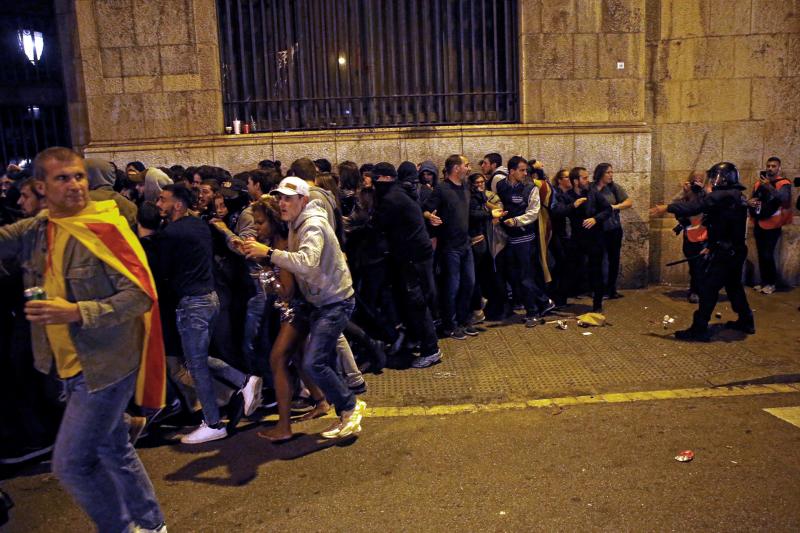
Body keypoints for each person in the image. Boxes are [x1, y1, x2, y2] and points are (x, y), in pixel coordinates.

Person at [0, 147, 166, 532]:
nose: (75, 185)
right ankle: (152, 524)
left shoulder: (103, 227)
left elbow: (140, 295)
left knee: (72, 463)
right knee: (114, 447)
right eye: (63, 178)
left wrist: (76, 312)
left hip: (106, 365)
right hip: (68, 366)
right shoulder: (39, 229)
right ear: (41, 187)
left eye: (78, 176)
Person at [245, 177, 366, 439]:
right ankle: (344, 407)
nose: (283, 203)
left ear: (304, 200)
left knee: (313, 362)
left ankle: (349, 405)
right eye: (280, 198)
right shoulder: (295, 223)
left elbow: (307, 263)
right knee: (312, 360)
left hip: (334, 301)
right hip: (321, 301)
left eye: (289, 198)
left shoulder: (312, 225)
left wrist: (268, 254)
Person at [156, 183, 262, 444]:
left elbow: (163, 271)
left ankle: (213, 423)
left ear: (177, 204)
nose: (158, 204)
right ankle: (244, 380)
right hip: (210, 299)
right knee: (197, 358)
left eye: (162, 199)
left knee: (196, 364)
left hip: (193, 304)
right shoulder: (200, 225)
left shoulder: (171, 233)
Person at [651, 162, 755, 341]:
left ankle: (698, 329)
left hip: (726, 253)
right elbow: (723, 225)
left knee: (708, 288)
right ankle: (746, 321)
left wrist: (667, 208)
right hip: (733, 250)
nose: (714, 181)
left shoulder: (723, 195)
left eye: (717, 177)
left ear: (725, 179)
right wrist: (712, 244)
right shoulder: (735, 195)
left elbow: (695, 207)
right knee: (734, 287)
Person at [372, 162, 443, 368]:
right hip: (418, 254)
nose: (374, 183)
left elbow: (377, 226)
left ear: (386, 178)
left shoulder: (391, 198)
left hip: (412, 256)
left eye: (376, 178)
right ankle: (418, 339)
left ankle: (431, 349)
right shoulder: (401, 192)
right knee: (416, 300)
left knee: (416, 302)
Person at [423, 154, 478, 339]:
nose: (469, 168)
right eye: (466, 165)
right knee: (452, 287)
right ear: (456, 168)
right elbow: (425, 209)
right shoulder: (442, 189)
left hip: (466, 244)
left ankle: (464, 320)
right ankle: (450, 325)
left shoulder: (466, 187)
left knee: (469, 283)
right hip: (450, 247)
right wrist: (430, 217)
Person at [496, 156, 555, 326]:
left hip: (525, 238)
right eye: (521, 170)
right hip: (508, 238)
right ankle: (544, 301)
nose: (525, 173)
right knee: (515, 276)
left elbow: (533, 212)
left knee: (525, 277)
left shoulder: (530, 188)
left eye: (525, 170)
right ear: (511, 171)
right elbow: (498, 202)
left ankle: (533, 312)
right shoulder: (501, 185)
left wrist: (516, 221)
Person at [567, 166, 613, 313]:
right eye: (584, 178)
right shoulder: (568, 196)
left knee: (596, 270)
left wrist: (595, 219)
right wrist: (572, 205)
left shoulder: (592, 193)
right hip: (577, 238)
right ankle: (565, 297)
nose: (588, 180)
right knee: (571, 267)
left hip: (594, 238)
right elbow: (559, 210)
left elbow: (608, 209)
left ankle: (597, 303)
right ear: (576, 181)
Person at [748, 156, 793, 294]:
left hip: (773, 224)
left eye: (773, 166)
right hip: (759, 222)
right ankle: (764, 282)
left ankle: (771, 283)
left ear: (779, 168)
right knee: (761, 255)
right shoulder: (758, 183)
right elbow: (754, 197)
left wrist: (768, 186)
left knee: (768, 254)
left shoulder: (784, 183)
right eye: (768, 166)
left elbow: (784, 199)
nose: (770, 168)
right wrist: (751, 202)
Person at [593, 163, 632, 299]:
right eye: (608, 172)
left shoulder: (614, 188)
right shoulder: (592, 188)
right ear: (600, 174)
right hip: (598, 229)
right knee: (599, 260)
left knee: (613, 259)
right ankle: (599, 289)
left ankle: (611, 289)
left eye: (611, 172)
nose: (611, 175)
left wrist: (615, 207)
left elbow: (628, 202)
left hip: (613, 228)